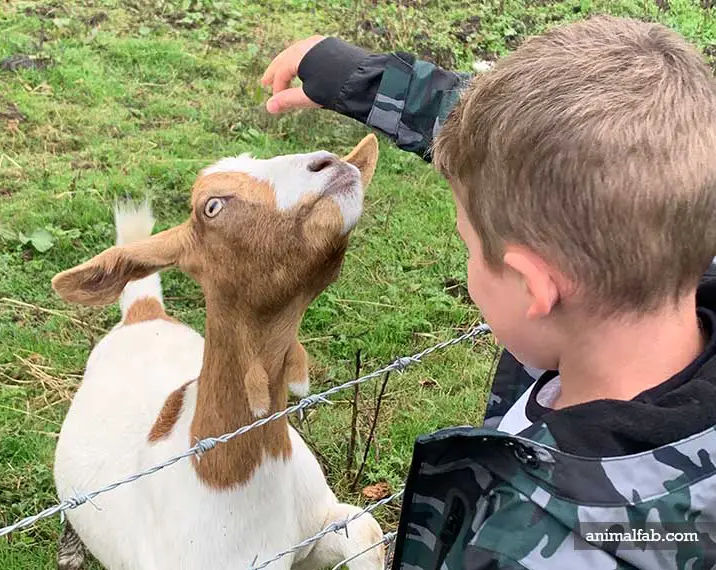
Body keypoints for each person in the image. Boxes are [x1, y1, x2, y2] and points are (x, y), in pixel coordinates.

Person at [262, 15, 716, 569]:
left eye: (468, 243)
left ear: (533, 285)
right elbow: (585, 148)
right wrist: (361, 78)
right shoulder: (678, 217)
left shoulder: (525, 552)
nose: (470, 256)